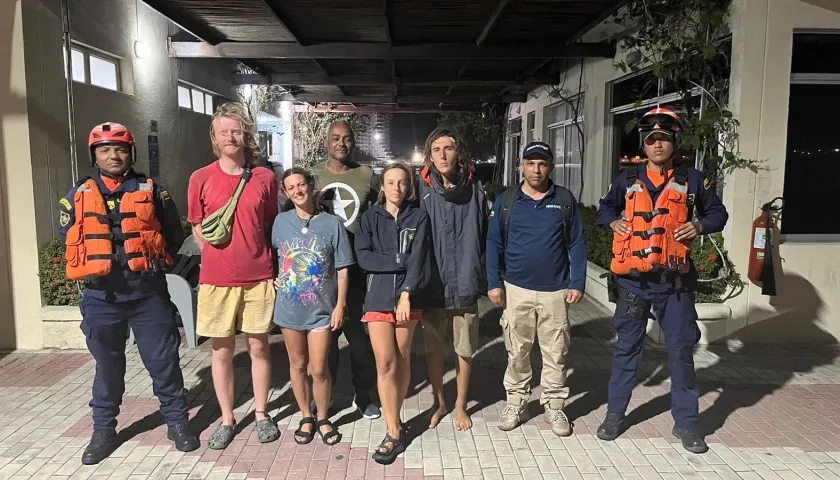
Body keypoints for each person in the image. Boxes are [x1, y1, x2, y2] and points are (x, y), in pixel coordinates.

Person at [57, 122, 199, 464]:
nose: (113, 156)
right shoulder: (76, 194)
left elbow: (173, 236)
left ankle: (178, 422)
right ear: (95, 155)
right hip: (101, 297)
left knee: (164, 363)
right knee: (108, 368)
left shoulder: (154, 191)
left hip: (147, 294)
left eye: (119, 149)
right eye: (104, 150)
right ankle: (103, 430)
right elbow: (68, 237)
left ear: (130, 153)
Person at [596, 107, 729, 454]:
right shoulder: (626, 179)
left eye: (664, 139)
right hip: (633, 283)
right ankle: (615, 414)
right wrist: (613, 222)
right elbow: (604, 210)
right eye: (651, 139)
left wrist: (699, 226)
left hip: (675, 284)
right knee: (626, 349)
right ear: (644, 143)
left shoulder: (694, 180)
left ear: (673, 143)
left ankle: (686, 423)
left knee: (681, 352)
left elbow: (718, 213)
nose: (657, 145)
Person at [187, 102, 280, 449]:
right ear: (214, 137)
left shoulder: (265, 178)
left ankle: (260, 413)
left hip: (260, 277)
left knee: (260, 348)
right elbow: (196, 223)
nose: (230, 136)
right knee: (221, 351)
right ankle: (227, 418)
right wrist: (213, 252)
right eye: (224, 130)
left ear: (246, 135)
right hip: (216, 280)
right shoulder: (200, 177)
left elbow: (269, 222)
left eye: (236, 130)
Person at [485, 141, 587, 437]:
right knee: (517, 350)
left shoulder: (564, 200)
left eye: (542, 163)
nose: (536, 169)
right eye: (531, 163)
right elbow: (493, 243)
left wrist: (577, 282)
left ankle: (554, 406)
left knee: (556, 351)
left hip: (555, 290)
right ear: (522, 166)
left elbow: (577, 243)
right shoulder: (507, 201)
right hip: (516, 288)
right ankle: (516, 402)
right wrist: (493, 283)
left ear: (551, 167)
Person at [355, 163, 431, 464]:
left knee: (401, 357)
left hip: (407, 300)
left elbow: (420, 259)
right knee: (385, 363)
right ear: (382, 186)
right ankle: (393, 429)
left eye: (402, 183)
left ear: (408, 186)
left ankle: (395, 420)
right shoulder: (370, 218)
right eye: (390, 182)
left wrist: (406, 294)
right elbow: (365, 258)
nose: (396, 188)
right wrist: (400, 258)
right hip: (377, 299)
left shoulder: (418, 216)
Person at [271, 167, 350, 447]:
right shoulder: (280, 222)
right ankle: (306, 415)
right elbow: (274, 257)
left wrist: (340, 305)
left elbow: (342, 269)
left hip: (321, 311)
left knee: (319, 368)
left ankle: (324, 416)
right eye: (291, 188)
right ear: (286, 192)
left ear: (311, 185)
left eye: (301, 185)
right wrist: (274, 279)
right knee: (297, 364)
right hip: (289, 310)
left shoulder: (332, 224)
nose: (297, 191)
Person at [417, 127, 489, 431]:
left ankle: (460, 404)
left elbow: (488, 236)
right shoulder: (421, 190)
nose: (442, 155)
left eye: (448, 148)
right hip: (432, 286)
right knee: (433, 350)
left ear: (458, 151)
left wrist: (489, 278)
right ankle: (440, 402)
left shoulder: (476, 190)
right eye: (436, 150)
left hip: (465, 282)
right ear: (429, 155)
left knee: (464, 349)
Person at [311, 121, 381, 419]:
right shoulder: (314, 176)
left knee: (360, 340)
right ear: (326, 142)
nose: (341, 143)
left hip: (357, 271)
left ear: (355, 143)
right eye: (335, 138)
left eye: (347, 138)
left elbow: (380, 215)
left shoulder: (367, 176)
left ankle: (363, 394)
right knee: (323, 338)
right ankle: (323, 397)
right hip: (322, 271)